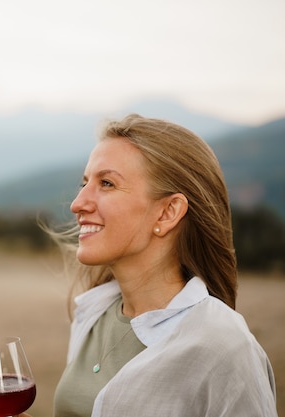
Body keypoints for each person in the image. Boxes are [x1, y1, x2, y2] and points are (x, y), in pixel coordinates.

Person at [42, 114, 277, 416]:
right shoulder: (93, 314)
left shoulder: (225, 348)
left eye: (107, 183)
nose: (77, 203)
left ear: (168, 212)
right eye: (84, 183)